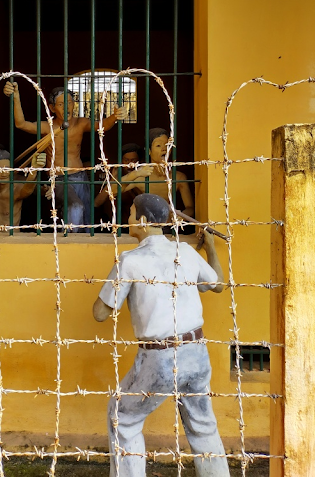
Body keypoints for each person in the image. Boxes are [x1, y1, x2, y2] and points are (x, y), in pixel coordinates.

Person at [93, 193, 229, 477]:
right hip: (197, 352)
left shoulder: (130, 261)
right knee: (203, 425)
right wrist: (211, 249)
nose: (127, 219)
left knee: (123, 418)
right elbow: (217, 285)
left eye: (130, 214)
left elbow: (100, 313)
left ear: (142, 221)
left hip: (160, 358)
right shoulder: (186, 252)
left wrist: (112, 286)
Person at [3, 81, 126, 232]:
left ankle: (83, 249)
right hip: (59, 179)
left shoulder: (80, 123)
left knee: (88, 220)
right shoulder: (47, 127)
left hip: (81, 177)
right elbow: (21, 124)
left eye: (69, 102)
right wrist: (16, 97)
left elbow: (101, 125)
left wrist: (115, 116)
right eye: (61, 104)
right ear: (52, 108)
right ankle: (69, 243)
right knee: (75, 207)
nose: (66, 107)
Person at [124, 128, 194, 218]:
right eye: (158, 146)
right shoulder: (141, 177)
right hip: (147, 226)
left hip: (169, 225)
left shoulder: (178, 177)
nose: (164, 149)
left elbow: (190, 207)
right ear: (149, 151)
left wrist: (182, 216)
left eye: (167, 145)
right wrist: (136, 173)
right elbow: (113, 191)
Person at [94, 143, 153, 229]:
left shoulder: (144, 177)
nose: (130, 164)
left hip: (140, 224)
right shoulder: (116, 175)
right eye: (126, 160)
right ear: (121, 161)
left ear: (139, 161)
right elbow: (97, 202)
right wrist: (112, 180)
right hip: (115, 224)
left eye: (133, 160)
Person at [0, 146, 46, 231]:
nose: (4, 173)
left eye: (7, 169)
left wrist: (33, 170)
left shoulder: (15, 189)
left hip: (11, 238)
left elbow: (27, 189)